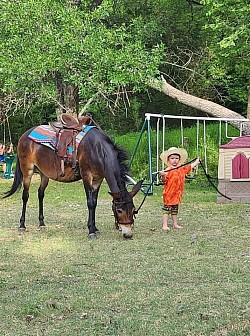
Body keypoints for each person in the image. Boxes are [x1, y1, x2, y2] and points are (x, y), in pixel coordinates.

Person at [159, 147, 200, 230]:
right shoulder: (168, 170)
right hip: (169, 194)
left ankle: (175, 224)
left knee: (175, 209)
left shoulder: (181, 169)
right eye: (172, 158)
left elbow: (190, 166)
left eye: (176, 158)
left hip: (177, 194)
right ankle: (165, 225)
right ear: (168, 160)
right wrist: (163, 175)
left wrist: (196, 162)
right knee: (167, 209)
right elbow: (164, 181)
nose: (174, 160)